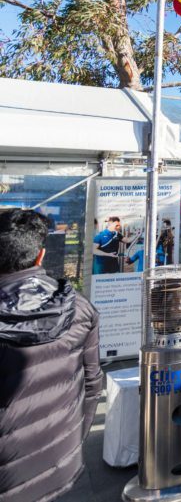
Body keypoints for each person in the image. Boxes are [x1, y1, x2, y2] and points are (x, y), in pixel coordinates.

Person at [0, 209, 102, 502]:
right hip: (61, 462)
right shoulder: (80, 308)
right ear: (41, 255)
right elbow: (92, 384)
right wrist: (71, 441)